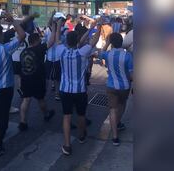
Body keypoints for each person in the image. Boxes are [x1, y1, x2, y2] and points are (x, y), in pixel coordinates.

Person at [56, 21, 101, 156]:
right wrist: (97, 27)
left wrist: (58, 26)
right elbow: (94, 40)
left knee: (66, 116)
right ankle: (81, 136)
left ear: (67, 41)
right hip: (80, 90)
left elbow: (58, 37)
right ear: (77, 41)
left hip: (64, 89)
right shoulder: (83, 52)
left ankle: (67, 145)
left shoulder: (61, 51)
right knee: (81, 115)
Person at [17, 20, 62, 131]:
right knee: (40, 99)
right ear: (36, 40)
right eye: (40, 39)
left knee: (26, 100)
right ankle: (46, 115)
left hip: (26, 78)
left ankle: (23, 122)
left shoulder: (24, 52)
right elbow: (51, 42)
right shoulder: (39, 48)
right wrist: (55, 28)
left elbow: (21, 68)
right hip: (37, 79)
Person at [0, 13, 26, 157]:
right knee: (3, 115)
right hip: (5, 88)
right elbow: (22, 35)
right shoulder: (5, 49)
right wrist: (13, 20)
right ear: (0, 35)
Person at [99, 33, 133, 146]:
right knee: (122, 105)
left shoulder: (108, 54)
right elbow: (132, 74)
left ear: (112, 43)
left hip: (111, 85)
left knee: (112, 109)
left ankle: (114, 137)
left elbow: (100, 53)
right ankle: (118, 123)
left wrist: (107, 42)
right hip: (125, 86)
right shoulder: (128, 56)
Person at [44, 12, 68, 101]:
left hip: (59, 57)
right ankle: (45, 91)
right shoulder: (47, 30)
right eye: (61, 20)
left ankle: (57, 93)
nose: (63, 22)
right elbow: (44, 40)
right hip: (49, 56)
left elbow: (64, 42)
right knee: (47, 76)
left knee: (58, 77)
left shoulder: (65, 30)